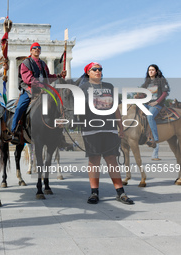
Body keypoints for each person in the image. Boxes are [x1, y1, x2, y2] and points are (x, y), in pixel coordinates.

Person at [78, 62, 134, 205]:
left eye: (100, 69)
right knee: (94, 160)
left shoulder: (109, 87)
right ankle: (94, 192)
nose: (98, 71)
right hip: (91, 130)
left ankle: (120, 192)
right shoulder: (83, 88)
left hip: (109, 128)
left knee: (112, 160)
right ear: (88, 73)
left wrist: (120, 127)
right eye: (94, 69)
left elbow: (115, 108)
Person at [11, 42, 66, 144]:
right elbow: (28, 79)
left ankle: (58, 132)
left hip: (43, 90)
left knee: (56, 105)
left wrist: (58, 75)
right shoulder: (26, 63)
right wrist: (41, 85)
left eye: (39, 48)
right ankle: (14, 131)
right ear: (31, 50)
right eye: (34, 48)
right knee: (19, 108)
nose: (37, 50)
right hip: (29, 90)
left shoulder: (43, 64)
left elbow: (47, 77)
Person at [140, 64, 169, 148]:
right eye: (149, 70)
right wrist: (138, 97)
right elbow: (143, 95)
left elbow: (165, 93)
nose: (151, 71)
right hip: (147, 104)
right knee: (135, 112)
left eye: (152, 70)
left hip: (157, 105)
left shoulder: (161, 80)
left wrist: (156, 102)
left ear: (156, 71)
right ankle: (140, 135)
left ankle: (154, 138)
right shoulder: (146, 83)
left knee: (150, 116)